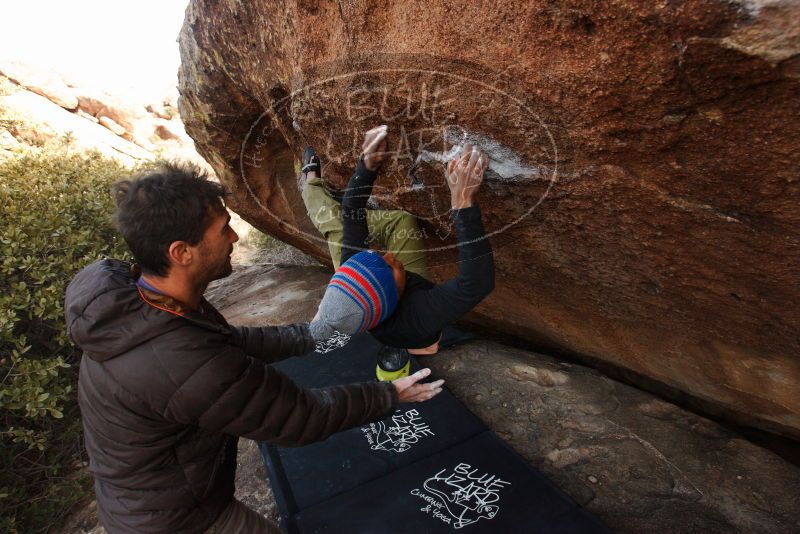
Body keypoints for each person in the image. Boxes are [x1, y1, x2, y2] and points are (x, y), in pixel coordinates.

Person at [64, 163, 444, 534]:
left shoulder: (142, 302)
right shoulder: (180, 361)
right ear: (181, 252)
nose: (234, 238)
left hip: (148, 499)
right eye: (222, 229)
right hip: (177, 519)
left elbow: (227, 343)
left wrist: (311, 334)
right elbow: (301, 417)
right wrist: (390, 393)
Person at [309, 125, 495, 360]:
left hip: (368, 292)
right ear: (395, 295)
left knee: (388, 223)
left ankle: (312, 189)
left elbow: (352, 209)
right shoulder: (418, 315)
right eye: (388, 266)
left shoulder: (355, 268)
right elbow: (477, 283)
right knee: (330, 225)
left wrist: (367, 166)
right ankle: (310, 184)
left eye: (376, 257)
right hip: (409, 320)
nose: (389, 255)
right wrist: (462, 200)